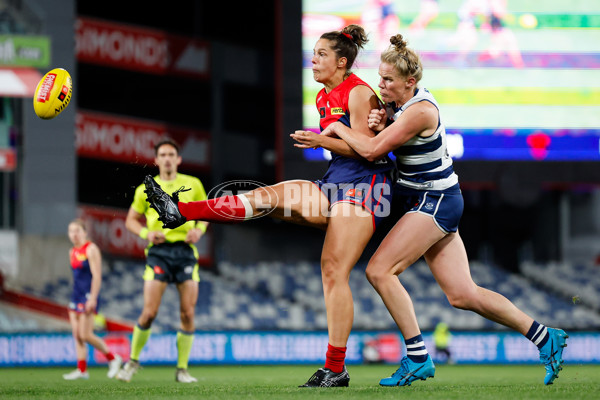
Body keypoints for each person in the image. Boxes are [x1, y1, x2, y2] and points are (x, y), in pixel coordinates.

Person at [297, 33, 568, 386]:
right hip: (436, 199)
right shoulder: (400, 108)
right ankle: (545, 336)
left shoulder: (419, 112)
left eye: (388, 80)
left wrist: (331, 132)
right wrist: (382, 121)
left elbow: (372, 150)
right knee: (463, 294)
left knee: (380, 271)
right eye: (380, 78)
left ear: (410, 82)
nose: (380, 85)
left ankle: (417, 357)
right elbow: (383, 135)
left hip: (434, 202)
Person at [143, 25, 395, 387]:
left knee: (332, 270)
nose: (314, 58)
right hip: (336, 183)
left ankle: (336, 369)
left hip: (369, 188)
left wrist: (324, 138)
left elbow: (370, 150)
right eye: (315, 52)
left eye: (322, 54)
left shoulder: (357, 93)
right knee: (267, 198)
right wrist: (324, 140)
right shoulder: (323, 97)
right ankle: (180, 211)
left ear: (342, 62)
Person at [115, 138, 209, 383]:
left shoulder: (193, 184)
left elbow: (207, 212)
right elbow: (130, 221)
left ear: (178, 159)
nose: (167, 158)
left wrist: (199, 230)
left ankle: (182, 370)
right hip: (158, 253)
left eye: (171, 154)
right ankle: (132, 362)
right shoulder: (144, 188)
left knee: (188, 313)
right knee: (149, 313)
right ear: (156, 160)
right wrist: (146, 233)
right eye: (163, 155)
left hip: (185, 253)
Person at [63, 219, 123, 380]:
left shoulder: (91, 249)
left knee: (85, 334)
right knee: (77, 335)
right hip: (75, 295)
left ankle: (113, 358)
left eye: (77, 231)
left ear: (84, 232)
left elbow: (97, 276)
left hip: (88, 295)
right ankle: (82, 370)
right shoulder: (72, 252)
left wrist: (93, 298)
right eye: (71, 231)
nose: (74, 234)